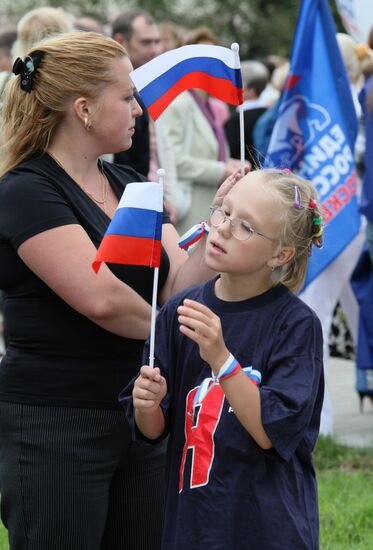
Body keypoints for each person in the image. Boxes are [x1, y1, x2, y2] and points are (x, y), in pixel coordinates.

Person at [0, 31, 240, 550]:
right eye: (128, 96)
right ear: (84, 109)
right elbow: (102, 300)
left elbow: (177, 282)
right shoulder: (25, 189)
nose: (139, 108)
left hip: (140, 414)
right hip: (58, 424)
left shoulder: (130, 183)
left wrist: (222, 216)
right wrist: (194, 338)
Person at [121, 168, 325, 549]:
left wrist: (222, 359)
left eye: (246, 226)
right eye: (225, 212)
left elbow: (270, 432)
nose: (225, 228)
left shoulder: (296, 325)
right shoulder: (181, 310)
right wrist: (147, 403)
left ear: (281, 253)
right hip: (193, 525)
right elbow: (152, 431)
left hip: (266, 527)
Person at [159, 25, 243, 234]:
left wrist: (229, 164)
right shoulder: (178, 103)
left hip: (210, 206)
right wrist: (222, 170)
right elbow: (172, 159)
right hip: (188, 210)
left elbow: (209, 151)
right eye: (203, 57)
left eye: (214, 56)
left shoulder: (210, 106)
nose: (210, 64)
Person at [224, 59, 269, 167]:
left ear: (252, 90)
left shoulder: (237, 120)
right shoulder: (269, 113)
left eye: (240, 83)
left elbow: (231, 154)